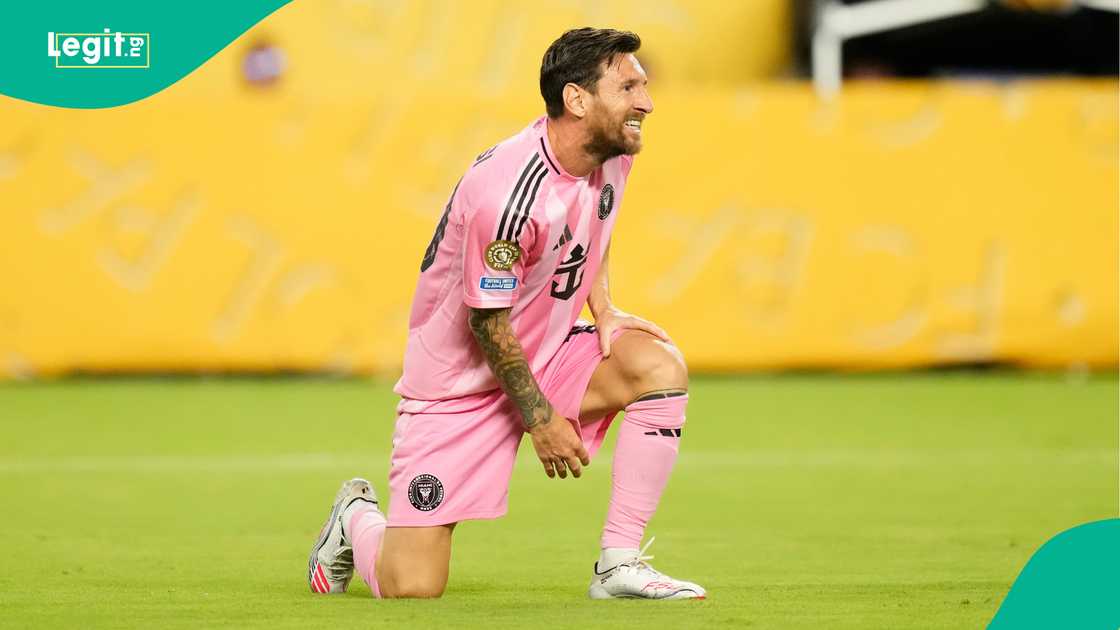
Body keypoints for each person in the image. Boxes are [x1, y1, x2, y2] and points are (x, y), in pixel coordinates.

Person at [307, 27, 705, 601]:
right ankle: (356, 518)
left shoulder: (612, 154)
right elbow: (487, 322)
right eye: (628, 86)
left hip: (548, 352)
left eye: (643, 85)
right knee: (411, 587)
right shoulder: (508, 193)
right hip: (459, 385)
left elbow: (594, 226)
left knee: (657, 367)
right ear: (577, 99)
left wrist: (605, 306)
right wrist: (541, 420)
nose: (645, 101)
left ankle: (619, 565)